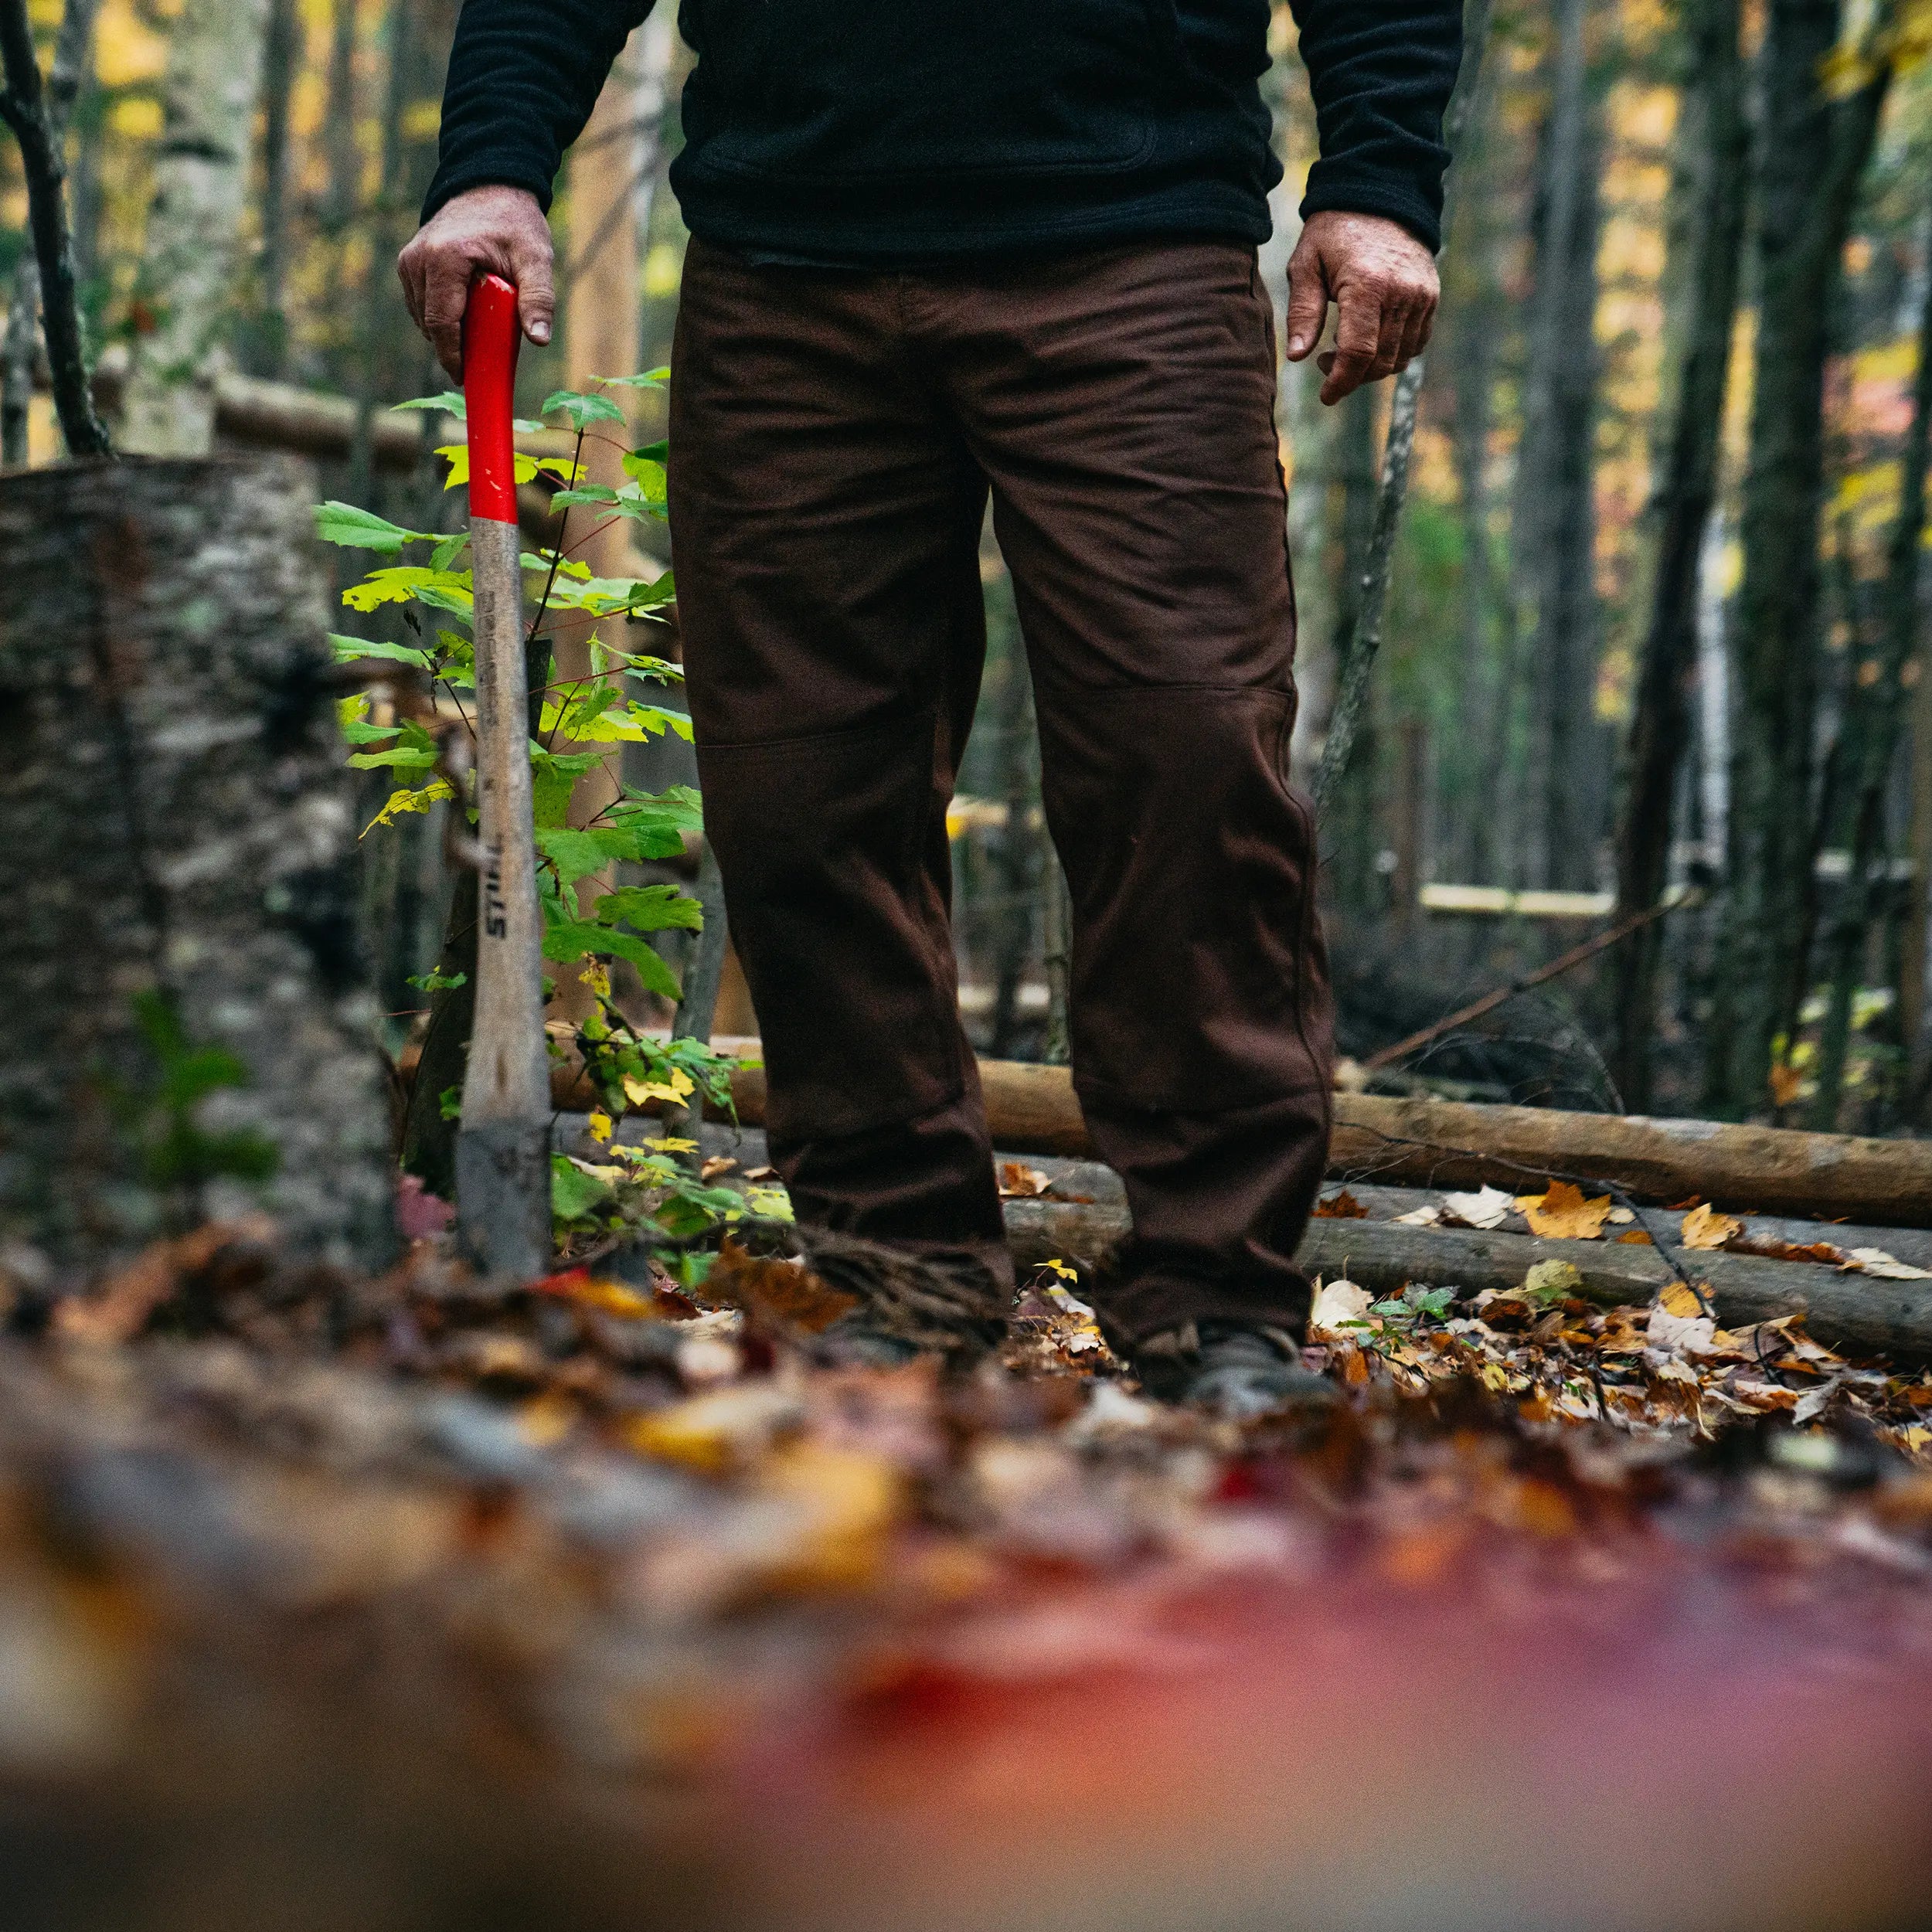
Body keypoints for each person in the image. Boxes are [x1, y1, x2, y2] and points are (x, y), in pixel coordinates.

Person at [400, 0, 1461, 1415]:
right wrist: (491, 163)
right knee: (799, 792)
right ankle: (900, 1269)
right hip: (787, 257)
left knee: (1189, 751)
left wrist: (1380, 184)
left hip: (1135, 240)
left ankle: (1219, 1306)